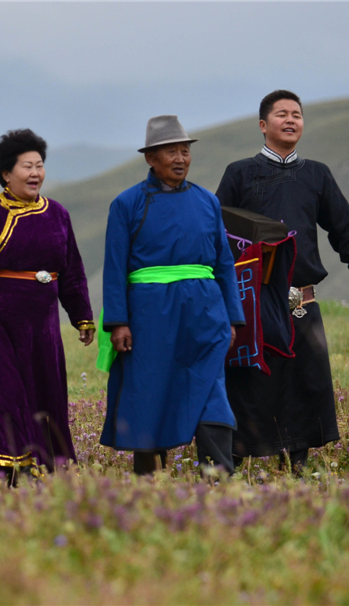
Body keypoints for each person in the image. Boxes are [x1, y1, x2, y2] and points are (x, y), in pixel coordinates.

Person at [216, 90, 349, 473]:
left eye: (297, 115)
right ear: (263, 125)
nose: (291, 120)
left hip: (302, 302)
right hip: (253, 303)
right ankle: (230, 468)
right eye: (282, 114)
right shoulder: (240, 173)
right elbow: (217, 235)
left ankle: (298, 470)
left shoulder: (317, 174)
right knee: (249, 383)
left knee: (305, 385)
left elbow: (344, 230)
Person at [98, 115, 244, 475]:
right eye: (171, 152)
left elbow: (224, 263)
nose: (180, 159)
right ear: (151, 158)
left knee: (211, 390)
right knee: (150, 392)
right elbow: (114, 268)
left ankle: (219, 477)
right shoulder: (126, 204)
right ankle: (149, 480)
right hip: (150, 316)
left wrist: (232, 319)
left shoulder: (208, 202)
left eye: (185, 151)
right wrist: (118, 322)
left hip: (205, 312)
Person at [0, 129, 94, 481]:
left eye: (39, 165)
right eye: (26, 166)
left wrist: (82, 315)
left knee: (46, 396)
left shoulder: (57, 214)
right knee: (3, 394)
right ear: (6, 173)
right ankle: (5, 471)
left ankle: (45, 468)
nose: (35, 173)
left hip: (43, 324)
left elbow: (72, 270)